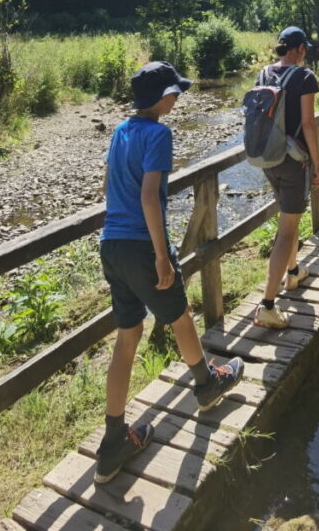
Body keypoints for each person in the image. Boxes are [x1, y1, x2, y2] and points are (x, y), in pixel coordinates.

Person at [96, 60, 243, 484]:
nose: (178, 99)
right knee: (179, 316)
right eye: (175, 93)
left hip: (112, 244)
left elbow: (110, 188)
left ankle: (113, 440)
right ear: (162, 98)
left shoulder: (121, 131)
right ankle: (207, 385)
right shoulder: (159, 133)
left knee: (128, 335)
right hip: (143, 246)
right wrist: (162, 255)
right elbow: (149, 198)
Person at [253, 27, 319, 329]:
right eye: (304, 48)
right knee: (286, 231)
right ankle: (268, 305)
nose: (305, 52)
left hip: (268, 158)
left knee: (289, 218)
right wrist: (318, 166)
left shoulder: (264, 74)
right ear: (299, 49)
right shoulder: (305, 77)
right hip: (294, 162)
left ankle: (293, 272)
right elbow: (308, 124)